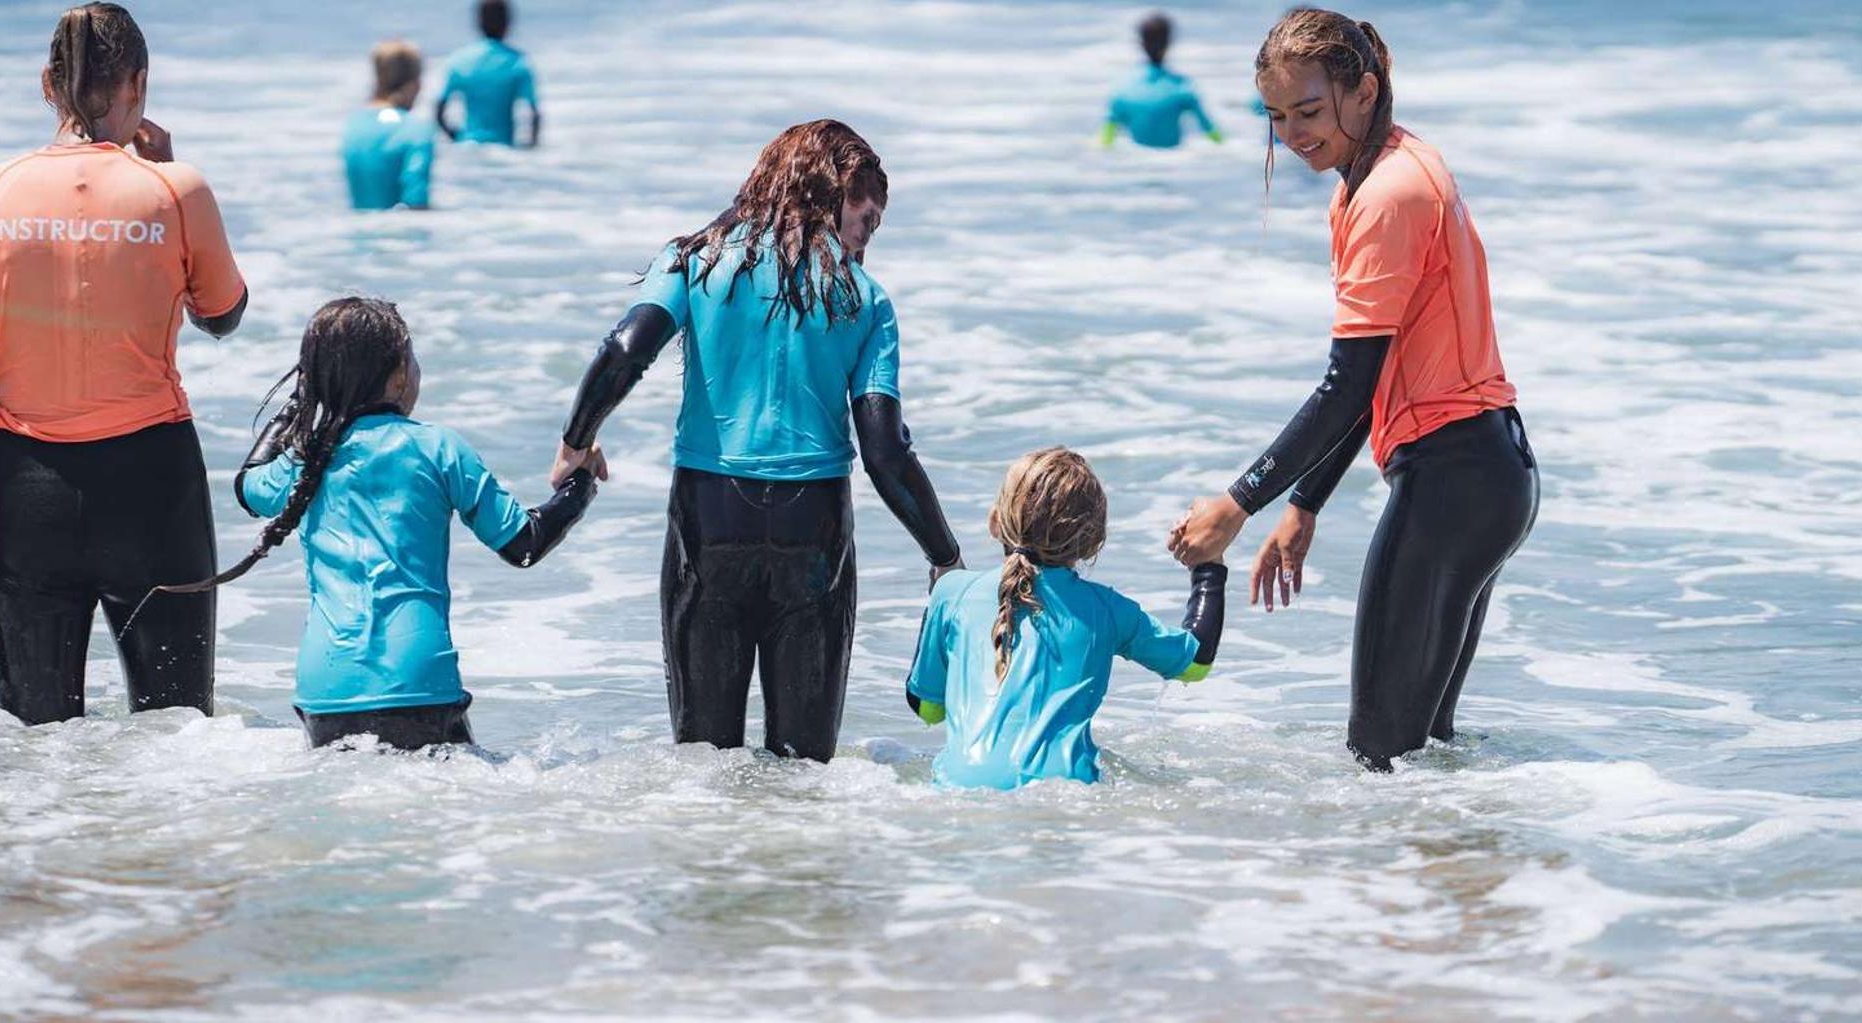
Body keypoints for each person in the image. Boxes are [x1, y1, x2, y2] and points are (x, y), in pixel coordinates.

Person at [1167, 10, 1538, 771]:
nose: (1293, 134)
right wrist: (1305, 503)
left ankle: (1399, 884)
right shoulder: (1398, 168)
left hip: (1451, 479)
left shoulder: (1386, 196)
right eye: (1275, 117)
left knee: (1380, 761)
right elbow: (1370, 377)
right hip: (1488, 475)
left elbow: (1346, 383)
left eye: (1308, 110)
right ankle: (1458, 878)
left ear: (1363, 92)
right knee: (1421, 759)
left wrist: (1238, 505)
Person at [552, 119, 963, 763]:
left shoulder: (694, 261)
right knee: (805, 770)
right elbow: (885, 450)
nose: (868, 240)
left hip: (708, 520)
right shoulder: (866, 300)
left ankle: (718, 865)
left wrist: (578, 440)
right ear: (831, 194)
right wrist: (943, 556)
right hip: (815, 533)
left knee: (702, 763)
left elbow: (627, 348)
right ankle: (797, 866)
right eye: (868, 219)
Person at [0, 3, 248, 726]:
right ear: (139, 84)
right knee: (180, 731)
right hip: (151, 488)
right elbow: (222, 315)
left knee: (32, 738)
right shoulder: (177, 189)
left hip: (23, 492)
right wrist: (161, 177)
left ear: (47, 84)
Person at [173, 298, 596, 751]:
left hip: (324, 689)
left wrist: (299, 404)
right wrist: (581, 482)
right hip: (416, 682)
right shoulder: (438, 448)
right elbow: (524, 544)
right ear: (397, 376)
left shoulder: (306, 459)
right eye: (412, 359)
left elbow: (247, 487)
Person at [905, 448, 1226, 790]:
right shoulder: (1107, 609)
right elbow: (1195, 662)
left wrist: (937, 604)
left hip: (959, 787)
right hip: (1065, 791)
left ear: (994, 521)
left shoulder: (952, 593)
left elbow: (928, 709)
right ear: (1093, 543)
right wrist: (1209, 566)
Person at [1101, 12, 1222, 149]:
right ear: (1169, 43)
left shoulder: (1122, 88)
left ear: (1141, 44)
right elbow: (1210, 131)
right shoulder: (1182, 87)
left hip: (1135, 159)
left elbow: (1106, 140)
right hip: (1176, 159)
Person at [342, 41, 435, 211]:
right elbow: (416, 198)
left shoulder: (354, 126)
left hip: (358, 233)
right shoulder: (416, 130)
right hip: (400, 233)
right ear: (414, 84)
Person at [436, 0, 540, 147]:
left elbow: (439, 111)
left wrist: (455, 137)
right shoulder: (518, 62)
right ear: (508, 23)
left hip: (468, 147)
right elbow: (533, 113)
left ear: (478, 22)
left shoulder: (459, 61)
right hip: (505, 148)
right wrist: (530, 148)